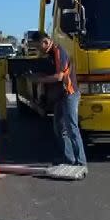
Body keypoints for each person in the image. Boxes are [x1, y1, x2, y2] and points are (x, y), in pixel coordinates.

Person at [31, 31, 87, 167]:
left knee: (71, 128)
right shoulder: (49, 54)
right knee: (59, 127)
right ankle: (69, 159)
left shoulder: (58, 51)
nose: (38, 50)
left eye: (39, 46)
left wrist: (39, 80)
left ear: (45, 42)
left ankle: (81, 161)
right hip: (60, 96)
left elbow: (59, 76)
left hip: (69, 93)